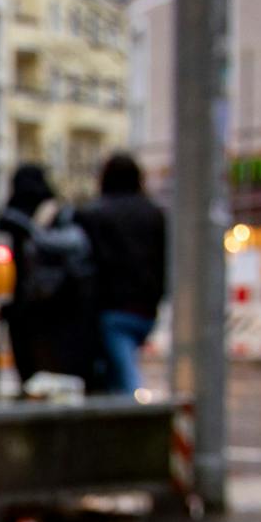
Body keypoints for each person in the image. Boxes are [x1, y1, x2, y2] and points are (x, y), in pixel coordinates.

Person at [0, 164, 98, 386]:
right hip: (62, 308)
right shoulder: (59, 214)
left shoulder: (10, 219)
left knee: (30, 373)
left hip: (24, 307)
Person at [77, 152, 168, 393]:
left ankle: (136, 422)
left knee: (125, 376)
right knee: (117, 371)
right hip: (146, 307)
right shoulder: (153, 213)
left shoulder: (95, 214)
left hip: (111, 306)